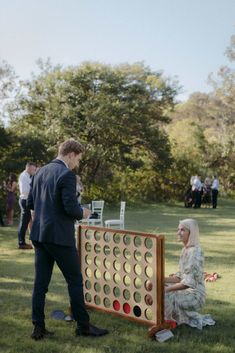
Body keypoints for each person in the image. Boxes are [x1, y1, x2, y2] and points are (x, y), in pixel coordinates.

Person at [27, 138, 109, 340]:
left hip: (39, 235)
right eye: (78, 159)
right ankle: (84, 326)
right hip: (60, 238)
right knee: (74, 280)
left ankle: (38, 327)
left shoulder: (40, 172)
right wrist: (85, 212)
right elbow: (71, 209)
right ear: (71, 154)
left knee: (40, 284)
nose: (77, 164)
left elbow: (29, 203)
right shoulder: (67, 175)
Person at [164, 219, 215, 329]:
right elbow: (179, 277)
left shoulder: (196, 252)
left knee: (165, 293)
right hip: (185, 289)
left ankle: (166, 324)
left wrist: (167, 289)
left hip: (195, 295)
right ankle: (162, 319)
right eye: (178, 229)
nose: (178, 233)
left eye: (182, 230)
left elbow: (188, 283)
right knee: (160, 287)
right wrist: (160, 279)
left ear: (191, 233)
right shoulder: (185, 250)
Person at [18, 162, 37, 249]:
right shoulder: (24, 176)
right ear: (28, 168)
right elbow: (24, 190)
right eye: (33, 169)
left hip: (26, 200)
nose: (34, 171)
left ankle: (29, 241)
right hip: (25, 200)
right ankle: (21, 243)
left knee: (28, 222)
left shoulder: (27, 176)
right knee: (24, 222)